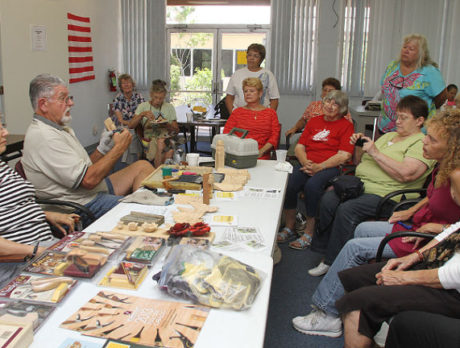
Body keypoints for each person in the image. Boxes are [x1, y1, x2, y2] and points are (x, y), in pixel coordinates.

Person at [291, 109, 460, 338]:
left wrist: (439, 229)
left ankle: (327, 313)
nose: (425, 141)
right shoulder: (443, 166)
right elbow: (432, 196)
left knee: (354, 246)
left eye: (432, 138)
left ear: (452, 148)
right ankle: (349, 279)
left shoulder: (457, 176)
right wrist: (411, 210)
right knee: (361, 228)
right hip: (418, 225)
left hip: (431, 241)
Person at [309, 95, 436, 277]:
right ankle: (325, 252)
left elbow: (406, 174)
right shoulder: (390, 136)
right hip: (360, 186)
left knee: (347, 209)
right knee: (328, 199)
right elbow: (360, 161)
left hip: (388, 195)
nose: (397, 121)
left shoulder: (419, 143)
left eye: (403, 118)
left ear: (419, 120)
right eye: (397, 116)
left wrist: (375, 152)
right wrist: (359, 145)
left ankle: (335, 262)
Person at [22, 74, 154, 225]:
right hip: (79, 206)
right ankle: (141, 212)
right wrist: (119, 148)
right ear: (44, 104)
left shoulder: (60, 129)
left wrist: (102, 150)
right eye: (64, 99)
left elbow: (83, 169)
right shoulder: (44, 137)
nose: (71, 103)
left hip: (90, 192)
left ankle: (140, 206)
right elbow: (88, 180)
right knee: (145, 212)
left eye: (69, 97)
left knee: (142, 166)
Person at [335, 218, 460, 348]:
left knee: (357, 302)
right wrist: (415, 256)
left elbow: (455, 275)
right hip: (438, 264)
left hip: (451, 290)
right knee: (355, 278)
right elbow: (454, 230)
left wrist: (403, 277)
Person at [0, 121, 78, 285]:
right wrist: (36, 251)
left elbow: (10, 205)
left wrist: (45, 214)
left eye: (3, 126)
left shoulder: (2, 166)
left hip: (43, 248)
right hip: (18, 263)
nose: (5, 132)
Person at [277, 90, 354, 250]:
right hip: (309, 163)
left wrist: (321, 166)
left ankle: (309, 232)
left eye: (336, 104)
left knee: (312, 186)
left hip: (330, 167)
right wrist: (306, 162)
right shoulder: (314, 121)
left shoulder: (346, 126)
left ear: (342, 109)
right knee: (289, 183)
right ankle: (290, 226)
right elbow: (300, 146)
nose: (330, 106)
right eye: (328, 102)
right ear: (323, 102)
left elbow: (344, 155)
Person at [378, 33, 446, 134]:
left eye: (411, 49)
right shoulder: (392, 66)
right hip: (388, 127)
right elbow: (383, 87)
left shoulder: (429, 71)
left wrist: (422, 108)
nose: (406, 50)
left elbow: (441, 97)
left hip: (415, 131)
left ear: (421, 53)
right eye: (405, 47)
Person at [223, 77, 280, 160]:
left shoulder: (271, 113)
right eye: (245, 91)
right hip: (240, 155)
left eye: (252, 91)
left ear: (260, 93)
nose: (248, 93)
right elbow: (227, 134)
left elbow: (274, 137)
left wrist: (261, 151)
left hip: (262, 157)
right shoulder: (237, 112)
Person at [129, 79, 179, 167]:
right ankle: (159, 170)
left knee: (165, 146)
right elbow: (131, 125)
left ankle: (157, 171)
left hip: (165, 136)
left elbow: (176, 130)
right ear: (151, 95)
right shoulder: (143, 106)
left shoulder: (169, 107)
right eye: (156, 97)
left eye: (161, 98)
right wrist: (142, 115)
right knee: (164, 148)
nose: (158, 101)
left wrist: (166, 124)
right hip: (149, 138)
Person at [285, 77, 352, 138]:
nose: (326, 93)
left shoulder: (340, 109)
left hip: (331, 138)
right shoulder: (313, 105)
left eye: (330, 91)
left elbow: (347, 130)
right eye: (325, 90)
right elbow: (303, 120)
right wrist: (295, 128)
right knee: (293, 150)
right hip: (309, 137)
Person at [225, 43, 280, 112]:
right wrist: (233, 114)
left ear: (261, 59)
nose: (251, 58)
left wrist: (269, 116)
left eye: (256, 56)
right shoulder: (237, 74)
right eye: (249, 55)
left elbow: (274, 99)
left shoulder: (268, 75)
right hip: (241, 115)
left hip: (262, 116)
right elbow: (229, 97)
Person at [112, 73, 145, 166]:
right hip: (122, 126)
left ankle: (131, 161)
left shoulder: (139, 97)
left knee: (135, 132)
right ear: (121, 86)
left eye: (128, 82)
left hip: (138, 125)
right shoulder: (118, 98)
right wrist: (132, 123)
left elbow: (144, 113)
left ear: (132, 84)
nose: (126, 85)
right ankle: (133, 162)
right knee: (131, 133)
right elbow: (120, 120)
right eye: (123, 83)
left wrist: (135, 122)